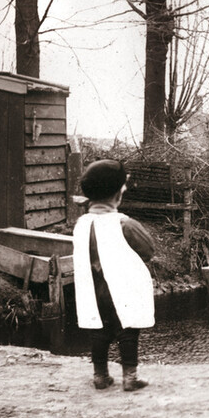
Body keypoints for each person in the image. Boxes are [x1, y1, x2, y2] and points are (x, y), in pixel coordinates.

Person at [72, 159, 155, 392]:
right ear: (118, 195)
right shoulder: (124, 224)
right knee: (127, 330)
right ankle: (130, 377)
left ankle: (100, 375)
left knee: (99, 331)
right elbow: (148, 249)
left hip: (93, 289)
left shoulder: (81, 224)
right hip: (120, 289)